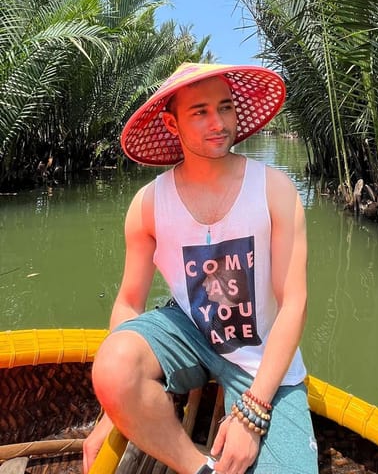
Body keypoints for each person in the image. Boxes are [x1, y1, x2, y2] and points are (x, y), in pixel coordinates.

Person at [83, 62, 318, 474]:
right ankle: (198, 467)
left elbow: (294, 304)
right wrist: (112, 407)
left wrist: (253, 412)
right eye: (200, 112)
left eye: (225, 108)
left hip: (260, 355)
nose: (218, 122)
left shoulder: (275, 190)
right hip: (189, 331)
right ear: (172, 126)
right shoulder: (148, 206)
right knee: (113, 365)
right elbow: (129, 302)